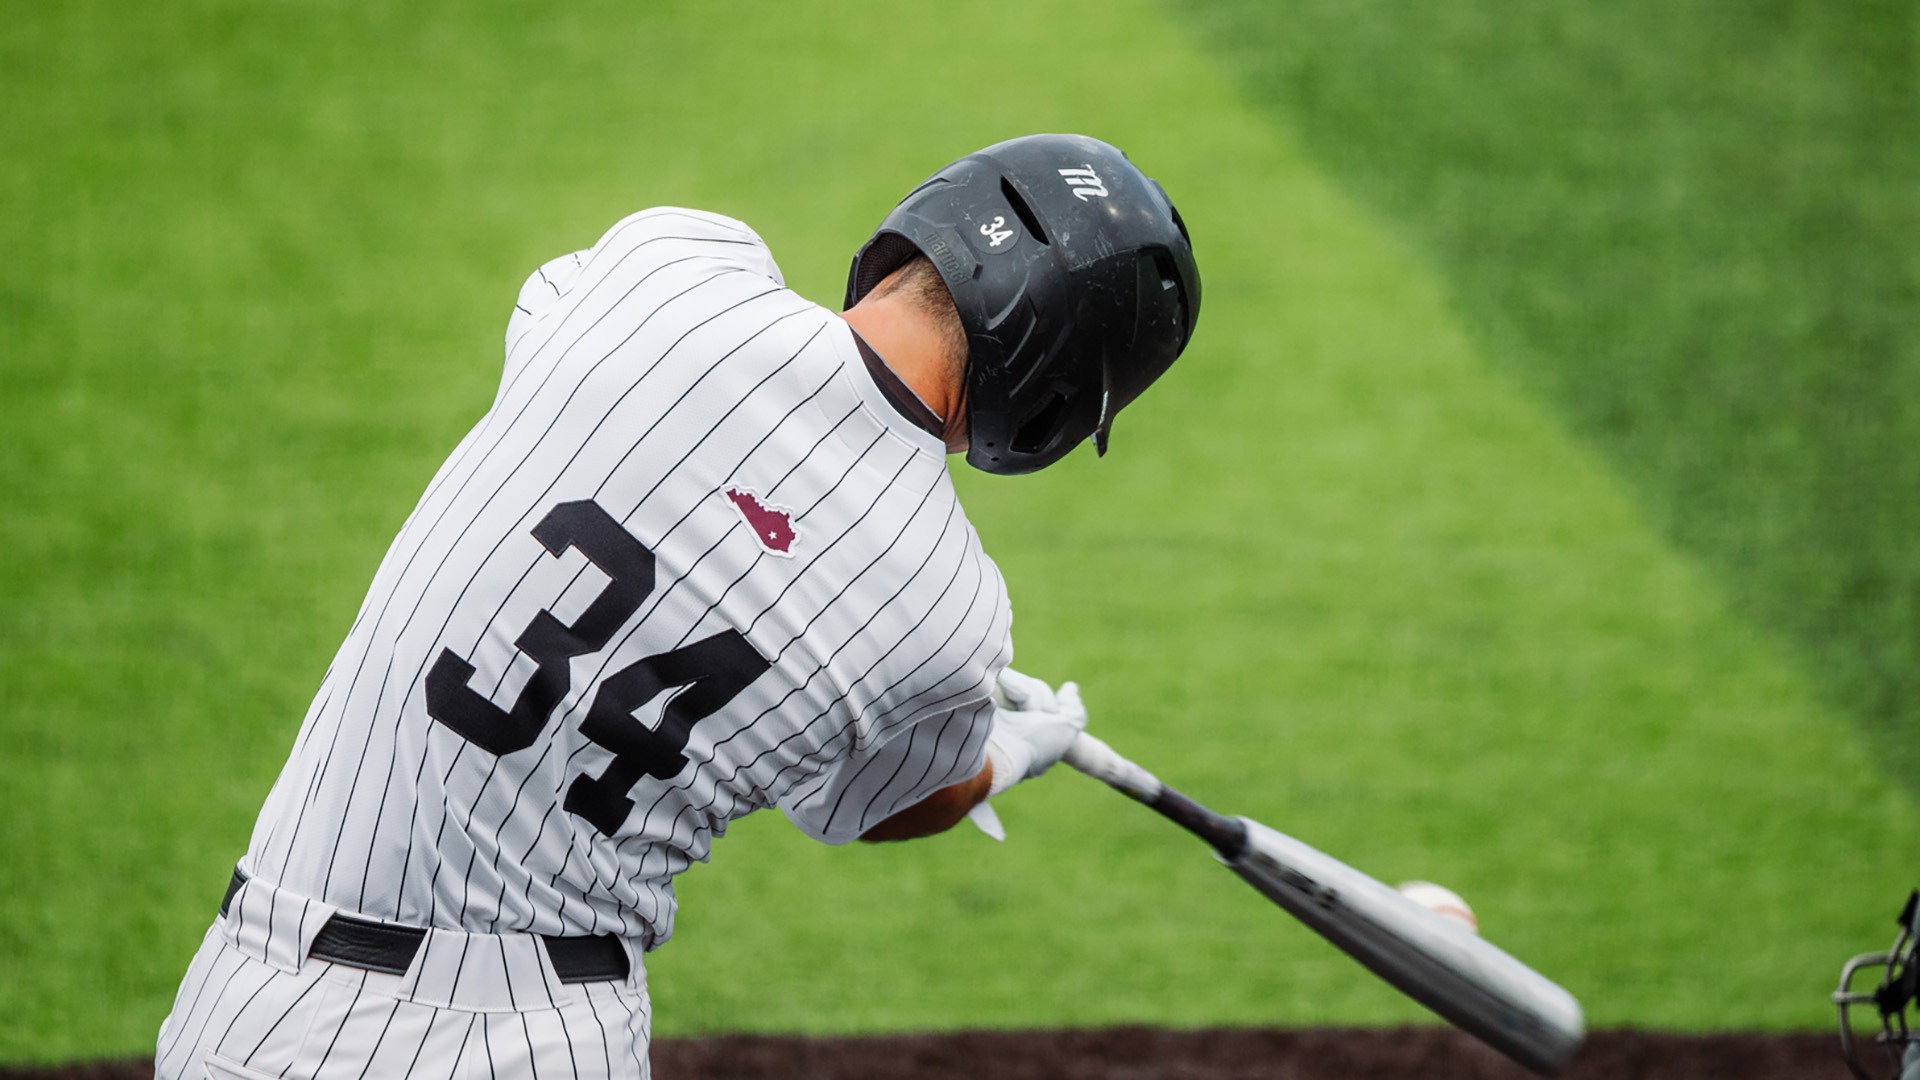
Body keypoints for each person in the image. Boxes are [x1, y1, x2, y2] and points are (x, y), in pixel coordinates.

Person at [154, 132, 1200, 1079]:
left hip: (247, 1001)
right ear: (1062, 391)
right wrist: (1000, 756)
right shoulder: (948, 616)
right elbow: (876, 804)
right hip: (534, 1041)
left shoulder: (674, 271)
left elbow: (556, 366)